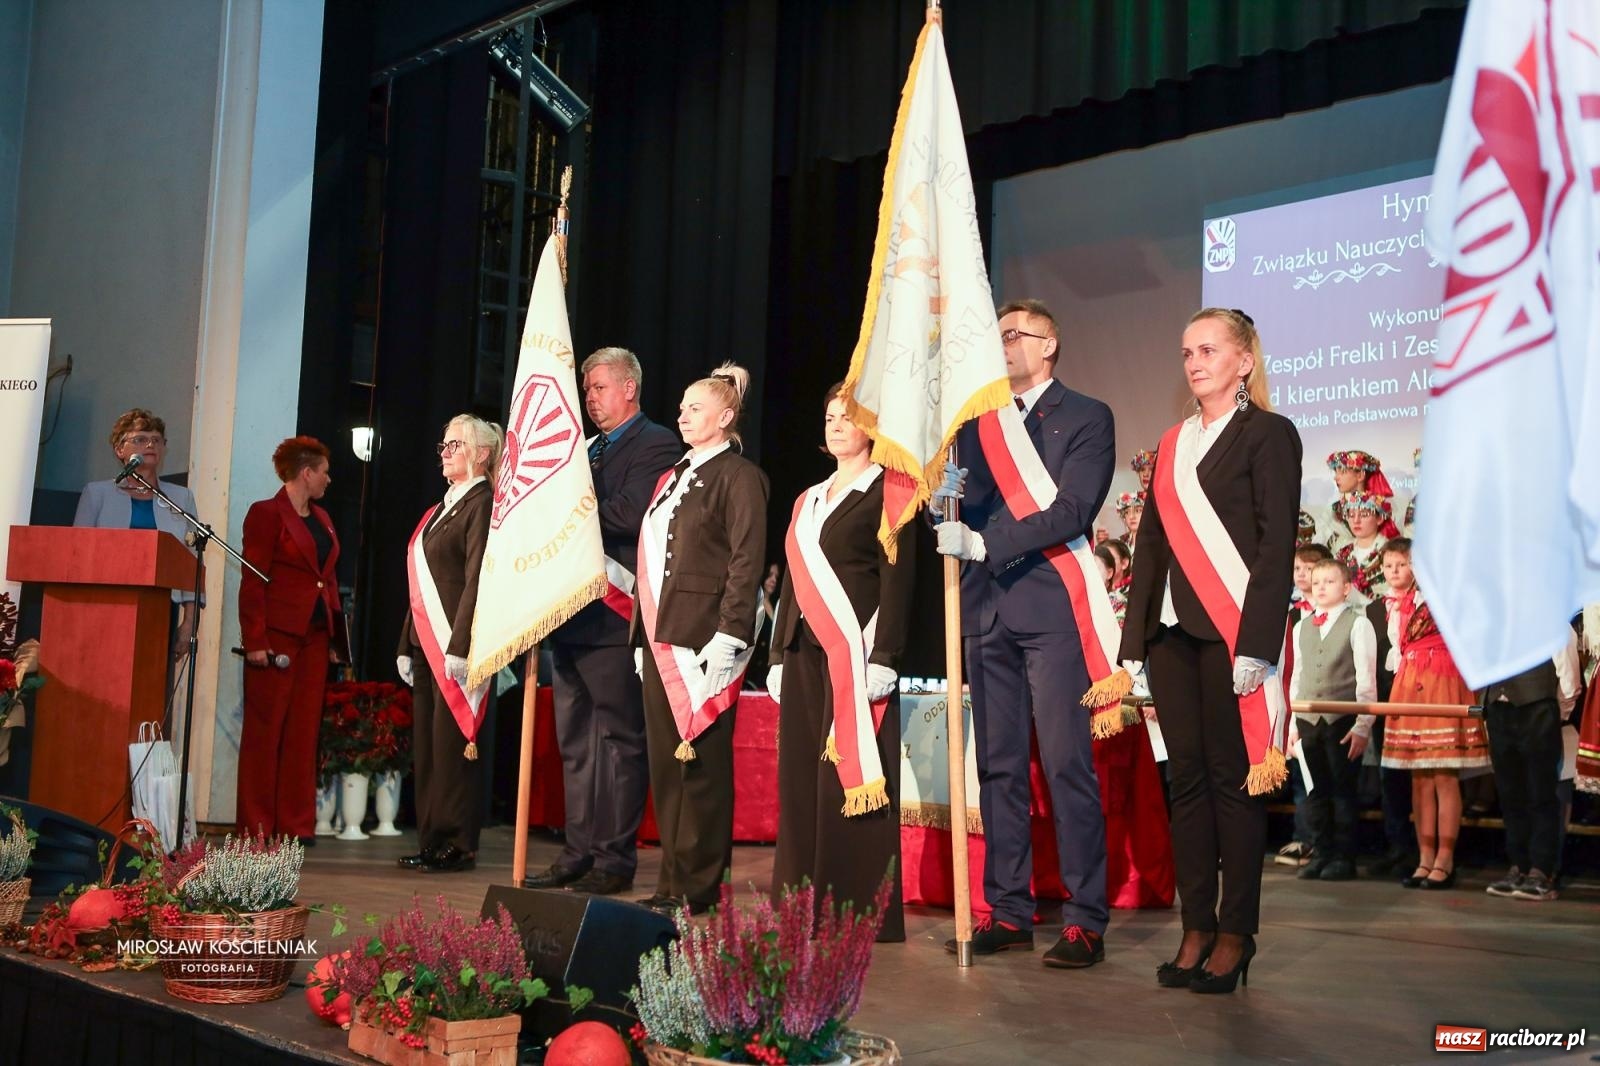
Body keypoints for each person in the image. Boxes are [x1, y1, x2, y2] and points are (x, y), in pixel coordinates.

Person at [1118, 308, 1301, 994]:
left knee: (1232, 784)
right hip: (1168, 635)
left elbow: (1275, 544)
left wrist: (1257, 643)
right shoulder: (1173, 441)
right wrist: (1132, 642)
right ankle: (1195, 926)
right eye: (1186, 351)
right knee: (1186, 784)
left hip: (1230, 638)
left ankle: (1235, 933)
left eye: (1208, 350)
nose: (1193, 362)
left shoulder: (1269, 435)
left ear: (1243, 360)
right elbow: (1152, 547)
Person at [933, 297, 1118, 969]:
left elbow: (1074, 508)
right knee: (999, 766)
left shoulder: (1086, 416)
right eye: (999, 334)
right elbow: (951, 496)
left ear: (1050, 344)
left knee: (1067, 765)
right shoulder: (976, 423)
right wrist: (940, 508)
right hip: (985, 611)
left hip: (1053, 612)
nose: (1004, 344)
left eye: (1017, 335)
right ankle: (1009, 909)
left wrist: (985, 542)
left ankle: (1086, 919)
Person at [526, 349, 680, 896]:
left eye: (598, 388)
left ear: (629, 388)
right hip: (570, 615)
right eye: (586, 390)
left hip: (614, 618)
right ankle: (577, 852)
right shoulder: (584, 450)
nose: (589, 399)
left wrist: (563, 511)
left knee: (619, 741)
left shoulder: (656, 441)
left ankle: (614, 860)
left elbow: (631, 512)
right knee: (576, 745)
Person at [767, 384, 914, 942]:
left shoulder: (891, 490)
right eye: (828, 417)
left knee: (848, 779)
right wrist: (779, 653)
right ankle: (799, 902)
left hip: (856, 656)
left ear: (870, 426)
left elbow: (898, 581)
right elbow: (791, 589)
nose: (834, 426)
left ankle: (853, 909)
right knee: (801, 777)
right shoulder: (809, 498)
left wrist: (887, 656)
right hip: (805, 653)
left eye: (846, 417)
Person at [634, 363, 768, 915]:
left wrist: (731, 633)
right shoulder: (673, 478)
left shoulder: (740, 477)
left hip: (705, 640)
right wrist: (642, 637)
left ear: (726, 416)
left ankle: (699, 885)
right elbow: (652, 565)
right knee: (668, 767)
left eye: (694, 407)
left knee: (703, 768)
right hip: (662, 639)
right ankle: (671, 880)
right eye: (683, 407)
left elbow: (745, 561)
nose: (682, 414)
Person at [396, 415, 500, 873]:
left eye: (455, 444)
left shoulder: (482, 503)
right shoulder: (439, 509)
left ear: (481, 454)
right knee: (429, 746)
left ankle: (457, 841)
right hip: (424, 644)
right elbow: (421, 583)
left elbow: (478, 579)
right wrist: (405, 642)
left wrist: (461, 644)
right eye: (444, 443)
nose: (444, 451)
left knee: (454, 746)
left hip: (458, 645)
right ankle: (430, 836)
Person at [237, 436, 345, 840]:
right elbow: (253, 581)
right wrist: (255, 641)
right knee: (265, 735)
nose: (328, 480)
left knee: (303, 733)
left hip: (315, 638)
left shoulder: (322, 519)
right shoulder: (266, 514)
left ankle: (296, 826)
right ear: (306, 473)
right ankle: (257, 826)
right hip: (277, 637)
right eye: (324, 472)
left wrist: (336, 638)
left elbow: (327, 579)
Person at [1377, 539, 1491, 890]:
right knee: (1418, 776)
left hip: (1442, 676)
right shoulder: (1398, 601)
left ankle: (1445, 857)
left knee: (1443, 774)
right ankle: (1424, 857)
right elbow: (1397, 649)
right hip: (1410, 680)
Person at [74, 408, 201, 659]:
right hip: (105, 607)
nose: (150, 444)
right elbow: (77, 555)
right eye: (140, 439)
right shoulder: (97, 494)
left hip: (162, 607)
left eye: (156, 439)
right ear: (119, 450)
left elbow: (191, 562)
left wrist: (189, 622)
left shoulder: (180, 498)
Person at [1286, 559, 1377, 882]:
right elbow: (1296, 676)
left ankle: (1343, 856)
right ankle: (1321, 852)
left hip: (1342, 719)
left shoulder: (1358, 624)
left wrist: (1362, 726)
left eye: (1329, 581)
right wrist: (1293, 723)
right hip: (1308, 720)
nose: (1321, 587)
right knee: (1315, 790)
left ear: (1346, 588)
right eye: (1317, 581)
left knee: (1342, 790)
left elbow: (1366, 680)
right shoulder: (1302, 626)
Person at [1479, 628, 1580, 902]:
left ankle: (1542, 869)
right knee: (1511, 794)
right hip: (1499, 711)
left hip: (1537, 710)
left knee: (1541, 792)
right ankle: (1518, 865)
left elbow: (1569, 679)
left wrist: (1553, 713)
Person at [1277, 542, 1333, 870]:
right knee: (1298, 773)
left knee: (1318, 775)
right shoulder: (1290, 612)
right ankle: (1302, 836)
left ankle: (1318, 840)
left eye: (1308, 569)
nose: (1302, 575)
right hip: (1291, 697)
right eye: (1297, 569)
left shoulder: (1331, 611)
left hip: (1322, 701)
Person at [1365, 541, 1416, 877]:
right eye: (1388, 566)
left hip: (1419, 696)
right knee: (1391, 776)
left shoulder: (1426, 604)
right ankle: (1397, 847)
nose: (1394, 571)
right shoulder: (1373, 610)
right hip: (1387, 700)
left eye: (1401, 564)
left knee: (1423, 777)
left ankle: (1424, 852)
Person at [1324, 450, 1398, 550]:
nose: (1336, 477)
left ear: (1360, 475)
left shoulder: (1380, 506)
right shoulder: (1334, 510)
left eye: (1342, 472)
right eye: (1336, 472)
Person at [1336, 492, 1392, 602]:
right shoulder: (1343, 554)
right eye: (1351, 515)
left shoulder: (1390, 552)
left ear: (1379, 519)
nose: (1356, 520)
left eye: (1364, 515)